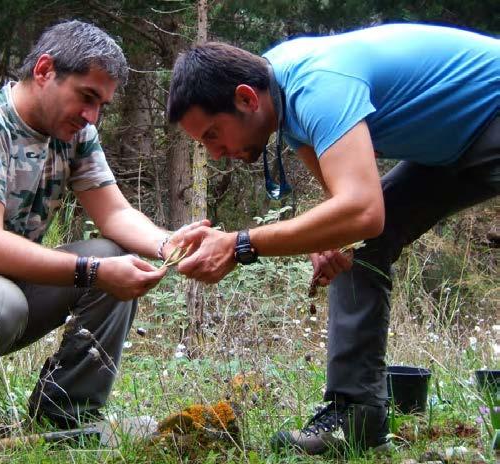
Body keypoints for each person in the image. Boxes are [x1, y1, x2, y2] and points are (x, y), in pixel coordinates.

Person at [167, 23, 499, 455]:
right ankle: (354, 416)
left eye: (212, 134)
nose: (214, 152)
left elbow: (363, 208)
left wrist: (240, 243)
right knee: (360, 245)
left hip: (489, 114)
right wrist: (333, 240)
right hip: (456, 140)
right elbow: (347, 211)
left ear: (246, 99)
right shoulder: (278, 93)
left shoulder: (317, 86)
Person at [0, 20, 198, 442]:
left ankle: (65, 415)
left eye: (101, 104)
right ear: (45, 70)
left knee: (114, 255)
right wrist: (92, 272)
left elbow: (115, 213)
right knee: (1, 299)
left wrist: (167, 244)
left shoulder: (77, 135)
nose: (92, 115)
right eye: (87, 96)